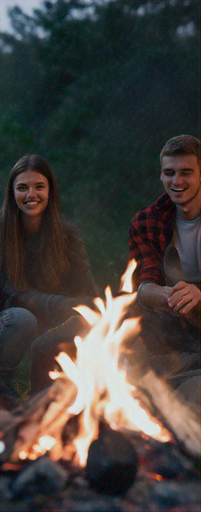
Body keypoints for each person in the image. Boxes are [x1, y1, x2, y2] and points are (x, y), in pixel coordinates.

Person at [0, 154, 98, 399]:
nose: (31, 195)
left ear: (50, 190)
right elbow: (15, 294)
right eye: (22, 188)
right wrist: (65, 304)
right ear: (12, 193)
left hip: (53, 318)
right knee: (22, 317)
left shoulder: (67, 233)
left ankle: (58, 393)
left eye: (39, 186)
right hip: (4, 317)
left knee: (88, 319)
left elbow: (86, 289)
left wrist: (90, 309)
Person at [128, 134, 200, 405]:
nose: (177, 181)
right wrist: (160, 294)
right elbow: (144, 282)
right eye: (169, 173)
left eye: (186, 173)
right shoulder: (147, 220)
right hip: (171, 329)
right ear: (160, 176)